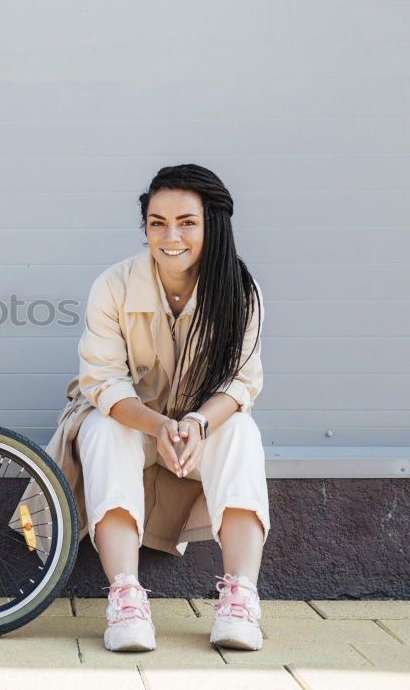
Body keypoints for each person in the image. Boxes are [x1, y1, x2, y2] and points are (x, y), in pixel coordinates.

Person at [25, 164, 270, 652]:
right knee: (102, 429)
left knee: (242, 433)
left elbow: (241, 382)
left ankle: (241, 599)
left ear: (213, 225)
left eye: (186, 222)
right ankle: (126, 599)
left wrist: (198, 423)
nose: (170, 235)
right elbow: (103, 381)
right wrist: (159, 425)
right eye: (156, 222)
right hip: (133, 422)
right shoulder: (113, 286)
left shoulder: (240, 291)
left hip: (196, 428)